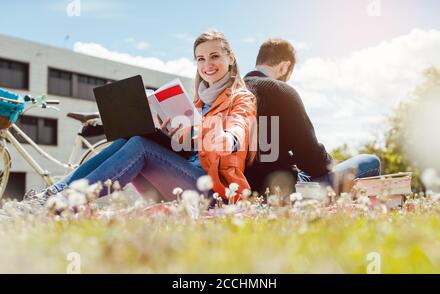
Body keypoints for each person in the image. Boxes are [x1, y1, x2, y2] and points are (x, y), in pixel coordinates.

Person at [26, 30, 256, 205]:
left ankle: (64, 202)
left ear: (231, 58)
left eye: (214, 56)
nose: (207, 65)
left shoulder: (242, 98)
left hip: (214, 189)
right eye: (200, 59)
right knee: (132, 137)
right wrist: (167, 133)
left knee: (141, 147)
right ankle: (53, 193)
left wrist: (204, 129)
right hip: (181, 174)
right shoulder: (197, 102)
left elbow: (236, 132)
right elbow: (187, 148)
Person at [244, 39, 380, 195]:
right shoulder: (282, 91)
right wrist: (330, 162)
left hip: (244, 191)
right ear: (285, 66)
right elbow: (311, 161)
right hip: (288, 189)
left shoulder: (229, 93)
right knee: (371, 162)